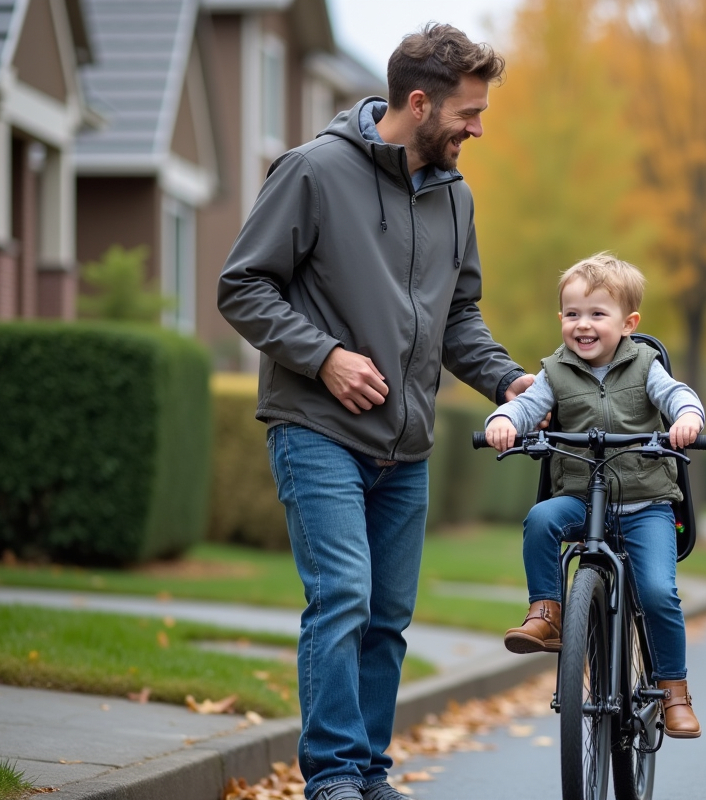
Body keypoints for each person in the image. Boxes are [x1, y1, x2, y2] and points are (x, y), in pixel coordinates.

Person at [217, 24, 534, 800]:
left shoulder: (454, 199)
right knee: (344, 599)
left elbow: (459, 317)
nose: (479, 129)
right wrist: (323, 355)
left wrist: (508, 383)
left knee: (388, 619)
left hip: (409, 444)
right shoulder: (313, 172)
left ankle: (367, 773)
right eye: (468, 113)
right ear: (419, 103)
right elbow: (243, 286)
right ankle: (330, 777)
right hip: (318, 429)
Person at [483, 253, 706, 738]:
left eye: (596, 314)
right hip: (582, 501)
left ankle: (673, 690)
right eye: (572, 313)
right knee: (541, 518)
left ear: (628, 324)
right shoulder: (554, 372)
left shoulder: (645, 365)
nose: (582, 325)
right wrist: (502, 421)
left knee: (657, 592)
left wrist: (687, 419)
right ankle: (547, 611)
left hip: (646, 505)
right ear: (560, 318)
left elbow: (677, 396)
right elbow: (527, 408)